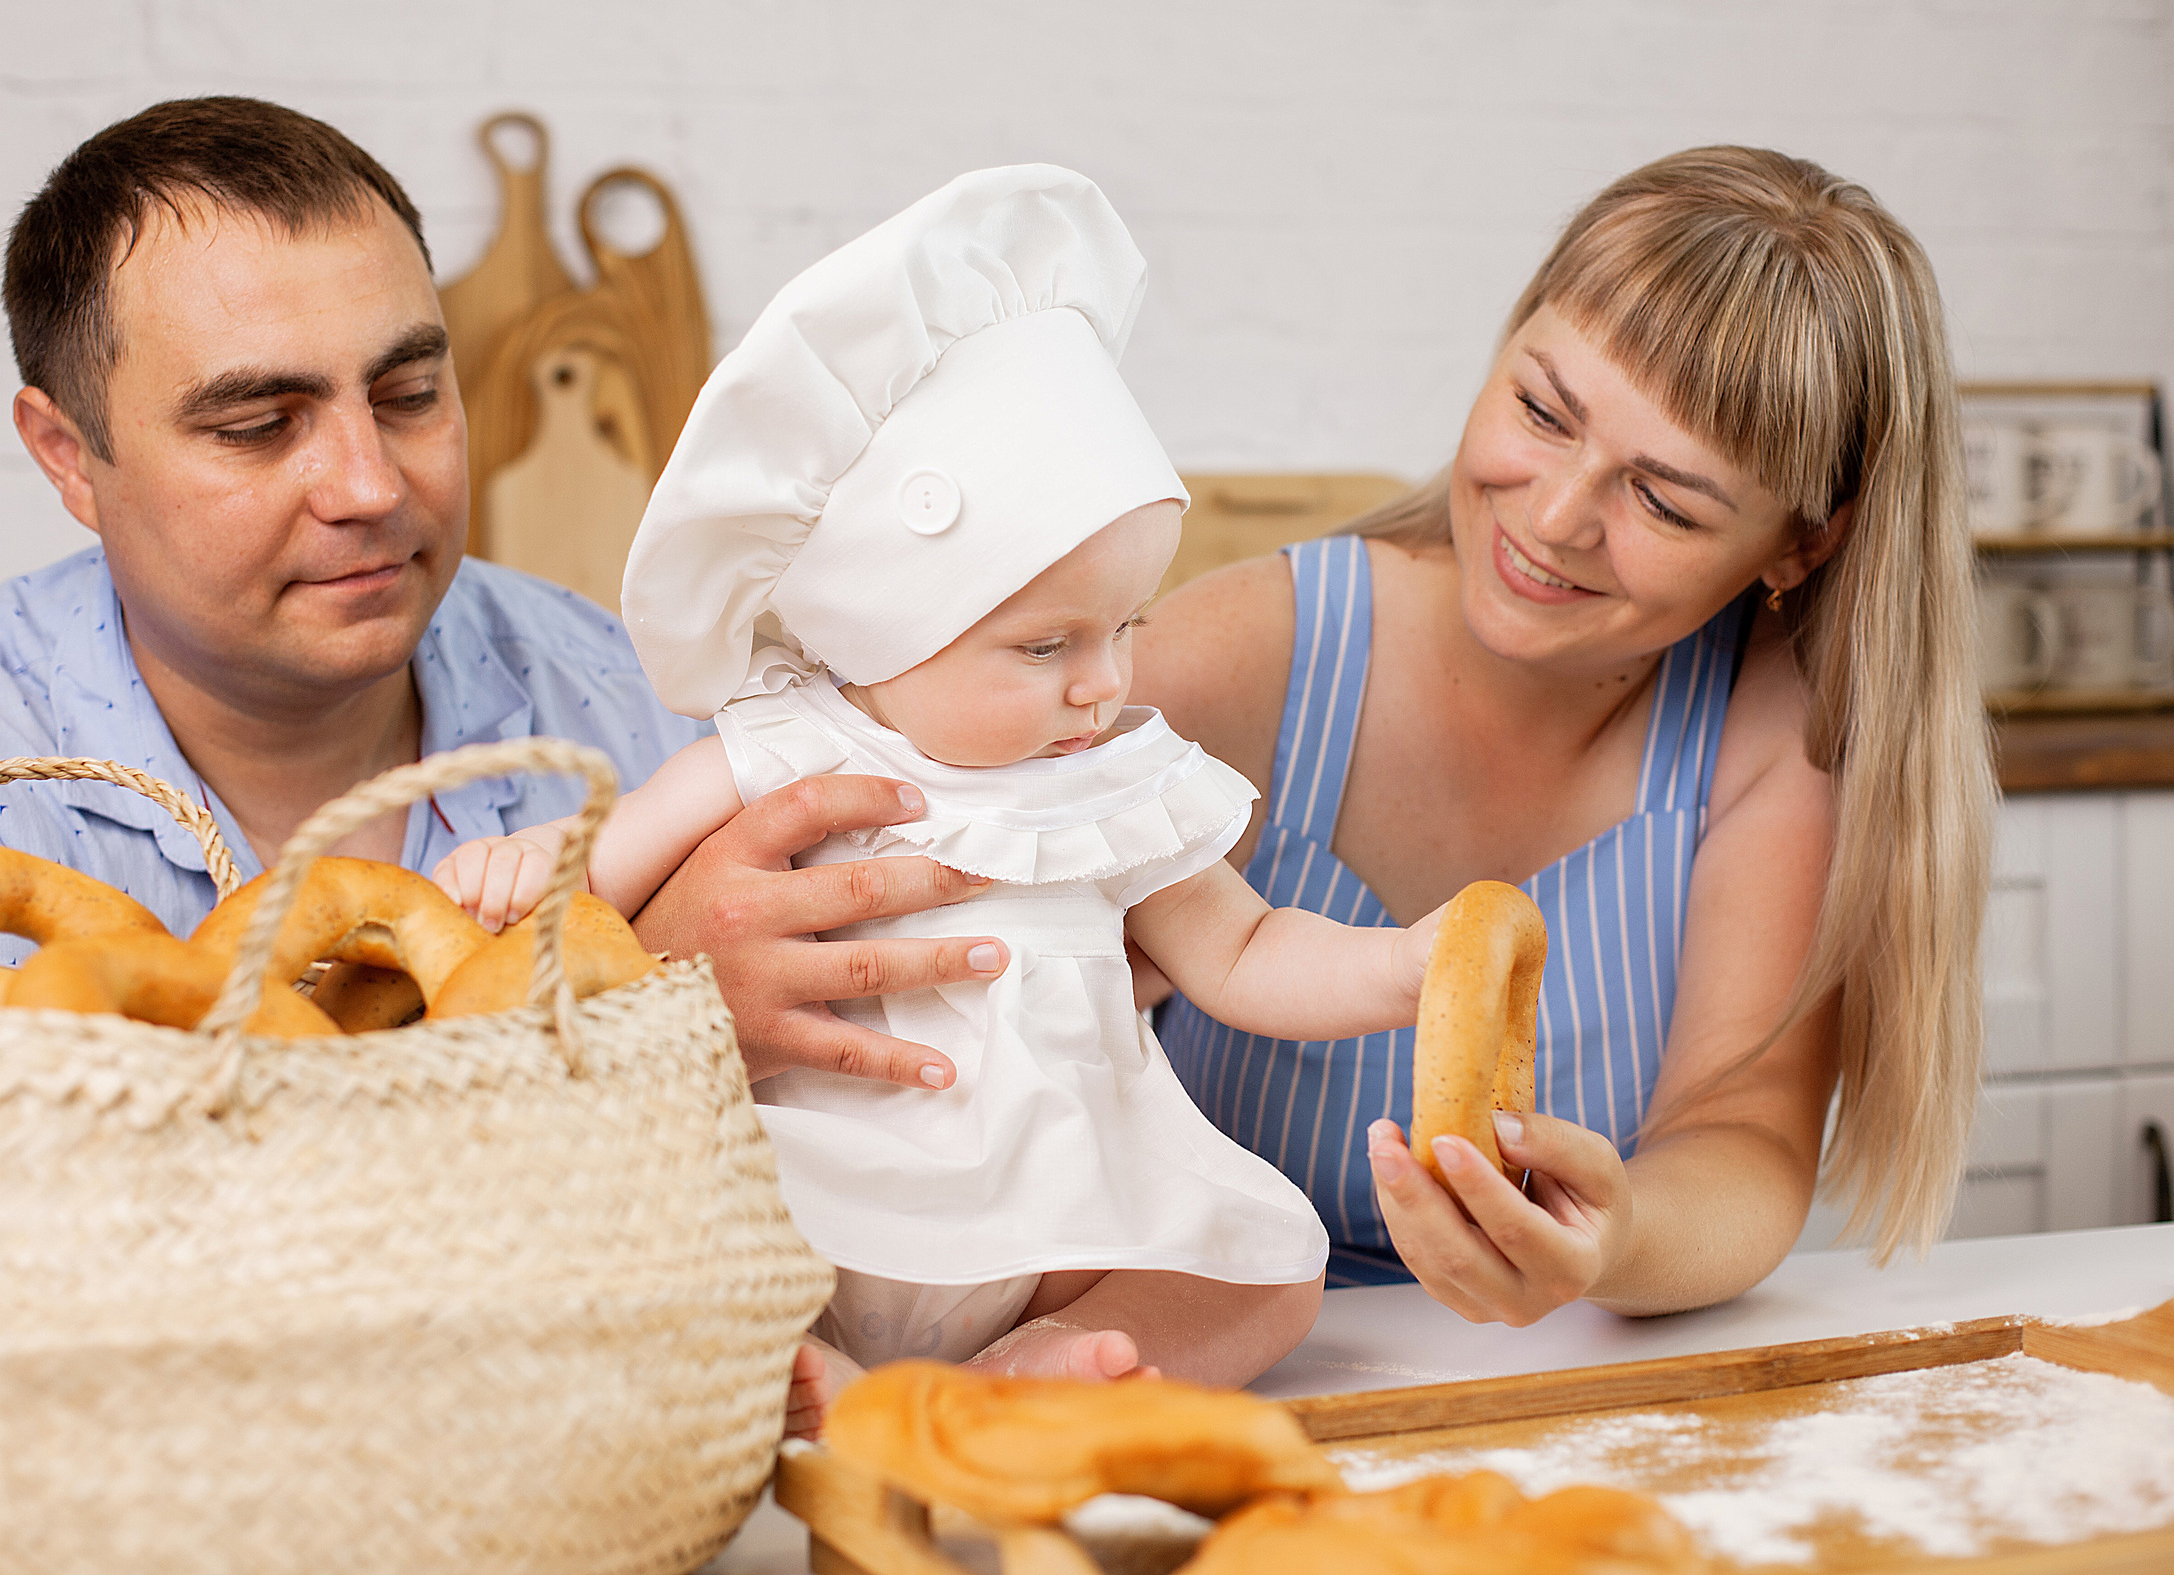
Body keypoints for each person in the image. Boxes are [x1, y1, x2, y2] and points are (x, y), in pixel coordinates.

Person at [437, 167, 1447, 1433]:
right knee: (642, 1246)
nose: (1105, 681)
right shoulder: (786, 742)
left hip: (1049, 1214)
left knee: (1270, 1278)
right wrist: (521, 870)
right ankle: (799, 1364)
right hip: (813, 1194)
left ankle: (1018, 1372)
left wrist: (1410, 970)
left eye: (1125, 625)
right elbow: (600, 878)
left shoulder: (1112, 778)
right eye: (1046, 647)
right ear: (884, 630)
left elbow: (1242, 951)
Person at [0, 98, 1007, 1095]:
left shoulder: (644, 697)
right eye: (257, 425)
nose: (369, 485)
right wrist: (655, 1023)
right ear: (70, 458)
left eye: (409, 396)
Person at [1135, 147, 1992, 1319]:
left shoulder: (1769, 742)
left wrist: (1617, 1240)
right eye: (1542, 411)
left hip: (1551, 1376)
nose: (1552, 518)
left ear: (1801, 545)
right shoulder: (1243, 655)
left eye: (1663, 500)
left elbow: (1743, 1142)